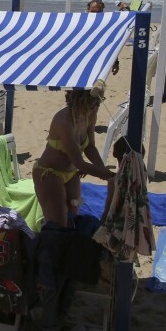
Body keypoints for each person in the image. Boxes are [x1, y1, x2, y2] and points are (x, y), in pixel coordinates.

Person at [32, 89, 114, 227]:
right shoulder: (64, 120)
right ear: (81, 100)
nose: (97, 105)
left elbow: (90, 147)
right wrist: (109, 175)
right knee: (58, 226)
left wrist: (102, 169)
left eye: (99, 100)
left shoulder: (90, 114)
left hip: (72, 174)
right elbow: (79, 162)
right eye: (93, 101)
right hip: (49, 174)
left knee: (73, 218)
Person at [87, 0, 120, 74]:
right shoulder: (80, 24)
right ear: (88, 10)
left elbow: (112, 45)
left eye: (98, 12)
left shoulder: (107, 26)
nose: (95, 14)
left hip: (99, 59)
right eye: (92, 11)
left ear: (102, 11)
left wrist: (115, 63)